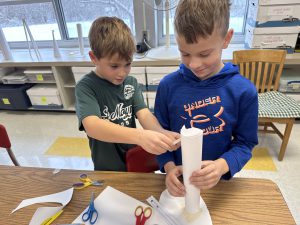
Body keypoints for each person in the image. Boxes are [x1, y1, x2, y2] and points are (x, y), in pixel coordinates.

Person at [154, 0, 258, 196]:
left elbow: (245, 144)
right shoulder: (168, 86)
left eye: (204, 54)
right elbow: (159, 136)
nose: (194, 64)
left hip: (218, 185)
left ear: (226, 39)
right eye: (185, 53)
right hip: (178, 184)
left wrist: (221, 166)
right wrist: (168, 168)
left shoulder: (244, 91)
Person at [75, 16, 180, 171]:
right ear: (94, 58)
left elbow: (144, 114)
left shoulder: (130, 83)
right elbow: (93, 126)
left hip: (132, 161)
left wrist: (161, 132)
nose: (122, 73)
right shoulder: (86, 87)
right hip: (107, 166)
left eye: (128, 64)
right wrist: (140, 136)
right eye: (114, 66)